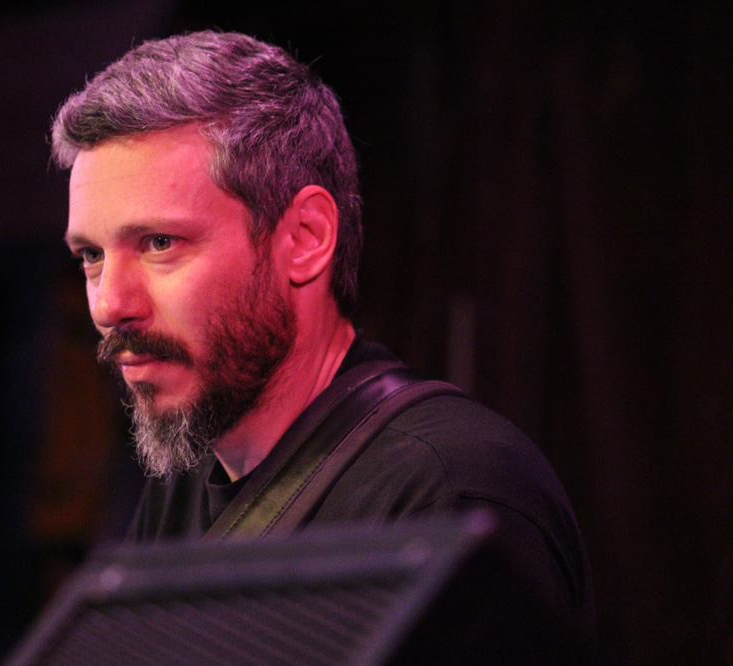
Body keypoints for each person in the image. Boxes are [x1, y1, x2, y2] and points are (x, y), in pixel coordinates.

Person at [51, 29, 594, 643]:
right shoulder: (182, 480)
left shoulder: (448, 490)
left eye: (159, 243)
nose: (109, 304)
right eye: (91, 255)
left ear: (305, 239)